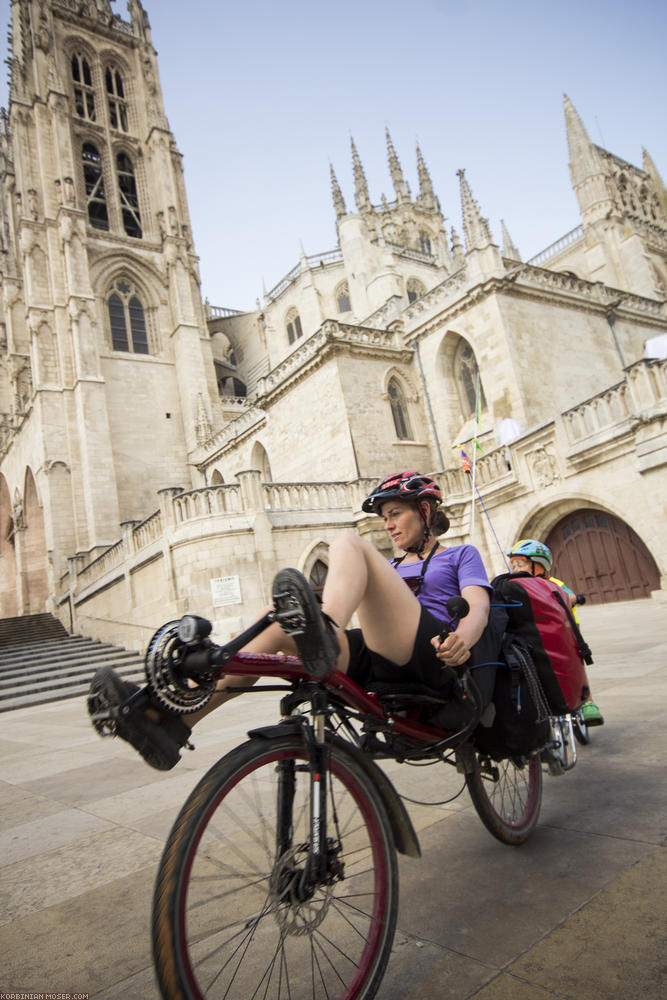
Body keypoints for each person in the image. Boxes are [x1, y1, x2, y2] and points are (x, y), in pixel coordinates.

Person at [90, 471, 501, 770]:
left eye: (395, 514)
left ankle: (324, 629)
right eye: (385, 518)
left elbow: (478, 605)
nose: (389, 525)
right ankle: (171, 722)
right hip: (380, 656)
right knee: (272, 625)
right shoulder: (390, 565)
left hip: (436, 656)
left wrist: (463, 638)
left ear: (425, 510)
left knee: (345, 541)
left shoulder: (459, 555)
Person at [506, 538, 604, 726]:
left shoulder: (554, 583)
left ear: (539, 566)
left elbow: (569, 595)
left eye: (521, 564)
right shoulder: (516, 585)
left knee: (575, 665)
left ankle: (587, 702)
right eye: (514, 565)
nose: (516, 568)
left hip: (565, 631)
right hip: (534, 633)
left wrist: (573, 598)